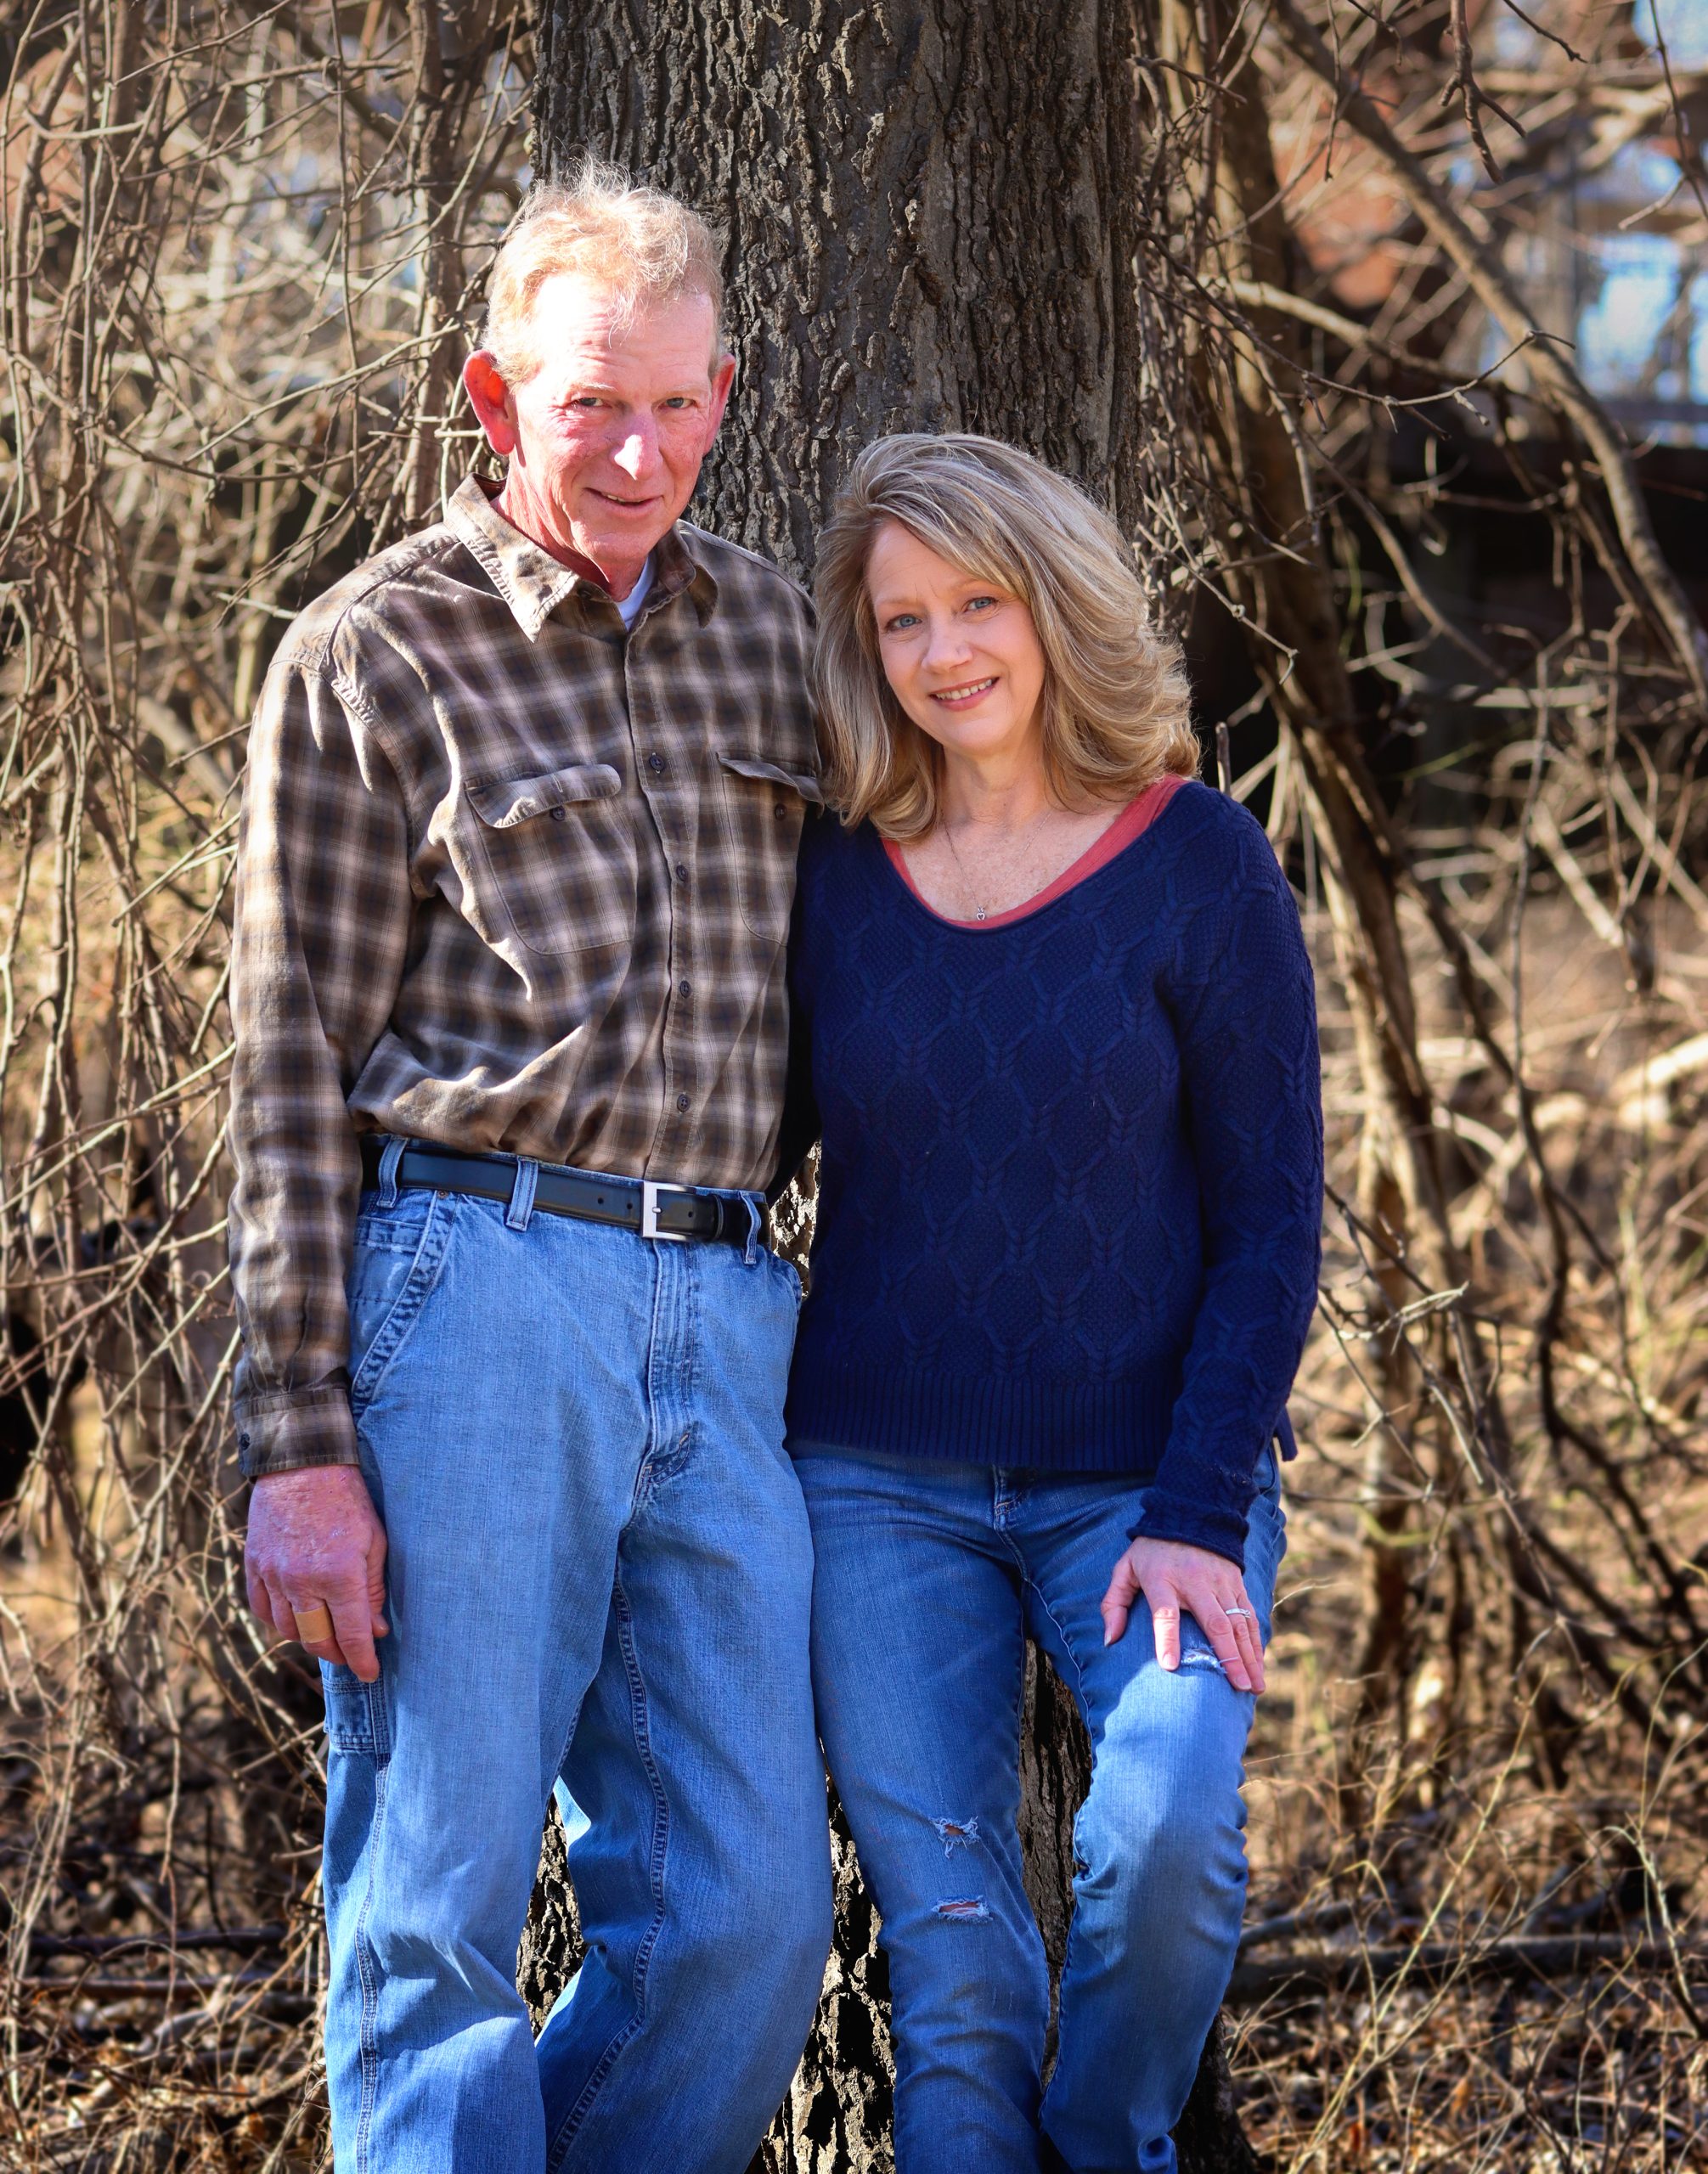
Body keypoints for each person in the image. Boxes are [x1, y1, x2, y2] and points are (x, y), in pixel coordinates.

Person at [228, 163, 832, 2173]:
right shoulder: (371, 652)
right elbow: (286, 1067)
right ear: (497, 398)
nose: (636, 453)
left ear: (723, 394)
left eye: (673, 405)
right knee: (436, 1905)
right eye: (589, 406)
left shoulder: (779, 638)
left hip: (731, 1303)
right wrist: (296, 1439)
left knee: (749, 1912)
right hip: (474, 1287)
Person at [781, 434, 1323, 2173]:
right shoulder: (835, 878)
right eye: (902, 619)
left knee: (1164, 1837)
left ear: (1055, 601)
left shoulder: (1200, 862)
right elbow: (739, 1150)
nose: (944, 651)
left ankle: (1107, 2145)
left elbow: (1272, 1225)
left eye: (979, 602)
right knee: (952, 1964)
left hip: (1146, 1486)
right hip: (874, 1487)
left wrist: (1199, 1507)